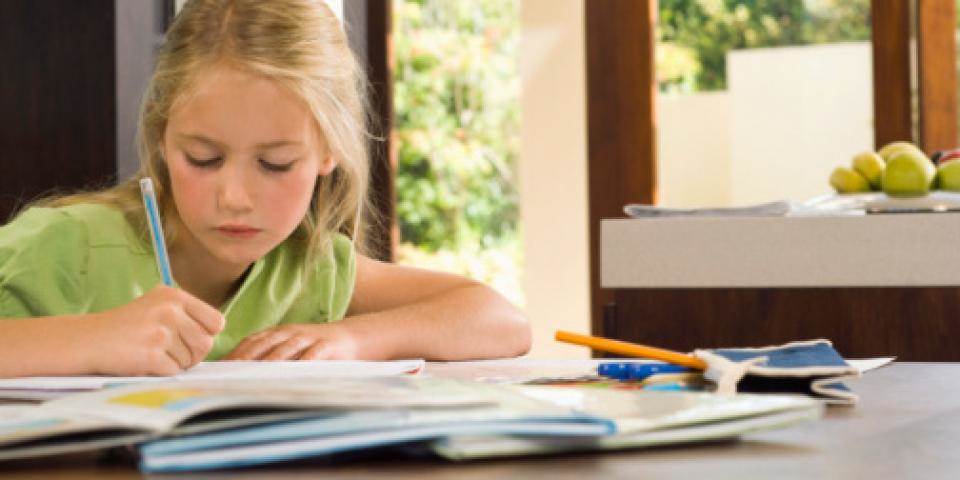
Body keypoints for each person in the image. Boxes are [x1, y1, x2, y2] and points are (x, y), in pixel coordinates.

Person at [0, 0, 530, 377]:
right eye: (203, 158)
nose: (235, 197)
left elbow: (502, 320)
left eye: (276, 164)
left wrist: (352, 338)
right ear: (162, 135)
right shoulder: (64, 245)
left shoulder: (310, 269)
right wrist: (92, 339)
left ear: (328, 150)